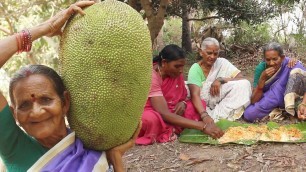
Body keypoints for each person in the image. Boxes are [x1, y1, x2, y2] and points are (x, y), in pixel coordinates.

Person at [0, 1, 140, 171]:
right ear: (14, 114)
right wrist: (46, 27)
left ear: (65, 102)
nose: (36, 111)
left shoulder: (92, 145)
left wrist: (116, 159)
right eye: (24, 105)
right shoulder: (13, 148)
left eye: (45, 100)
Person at [136, 44, 224, 145]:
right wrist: (202, 126)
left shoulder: (175, 73)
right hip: (153, 111)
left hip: (172, 109)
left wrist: (183, 103)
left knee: (199, 104)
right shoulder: (152, 77)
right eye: (177, 66)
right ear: (164, 62)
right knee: (151, 120)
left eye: (182, 66)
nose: (181, 70)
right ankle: (171, 127)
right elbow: (163, 113)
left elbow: (182, 96)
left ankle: (173, 125)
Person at [187, 37, 252, 122]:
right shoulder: (195, 68)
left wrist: (221, 79)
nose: (212, 57)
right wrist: (204, 116)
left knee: (244, 84)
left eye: (215, 54)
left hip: (221, 99)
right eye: (209, 53)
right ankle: (212, 117)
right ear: (201, 52)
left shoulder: (222, 62)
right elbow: (195, 95)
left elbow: (241, 78)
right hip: (203, 104)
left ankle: (219, 116)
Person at [244, 42, 306, 122]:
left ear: (282, 58)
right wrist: (262, 79)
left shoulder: (290, 64)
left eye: (275, 59)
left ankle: (289, 108)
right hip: (270, 98)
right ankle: (281, 109)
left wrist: (304, 103)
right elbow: (253, 100)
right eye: (268, 60)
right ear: (264, 59)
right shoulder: (260, 69)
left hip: (291, 98)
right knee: (249, 114)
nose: (271, 63)